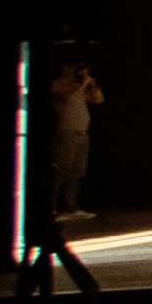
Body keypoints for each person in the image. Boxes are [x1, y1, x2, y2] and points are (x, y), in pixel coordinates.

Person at [45, 56, 103, 221]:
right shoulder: (59, 84)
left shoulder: (79, 87)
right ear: (65, 68)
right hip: (67, 132)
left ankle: (72, 206)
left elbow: (98, 99)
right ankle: (51, 209)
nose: (78, 71)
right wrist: (83, 84)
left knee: (77, 172)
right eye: (75, 67)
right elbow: (65, 98)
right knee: (60, 171)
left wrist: (91, 86)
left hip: (82, 133)